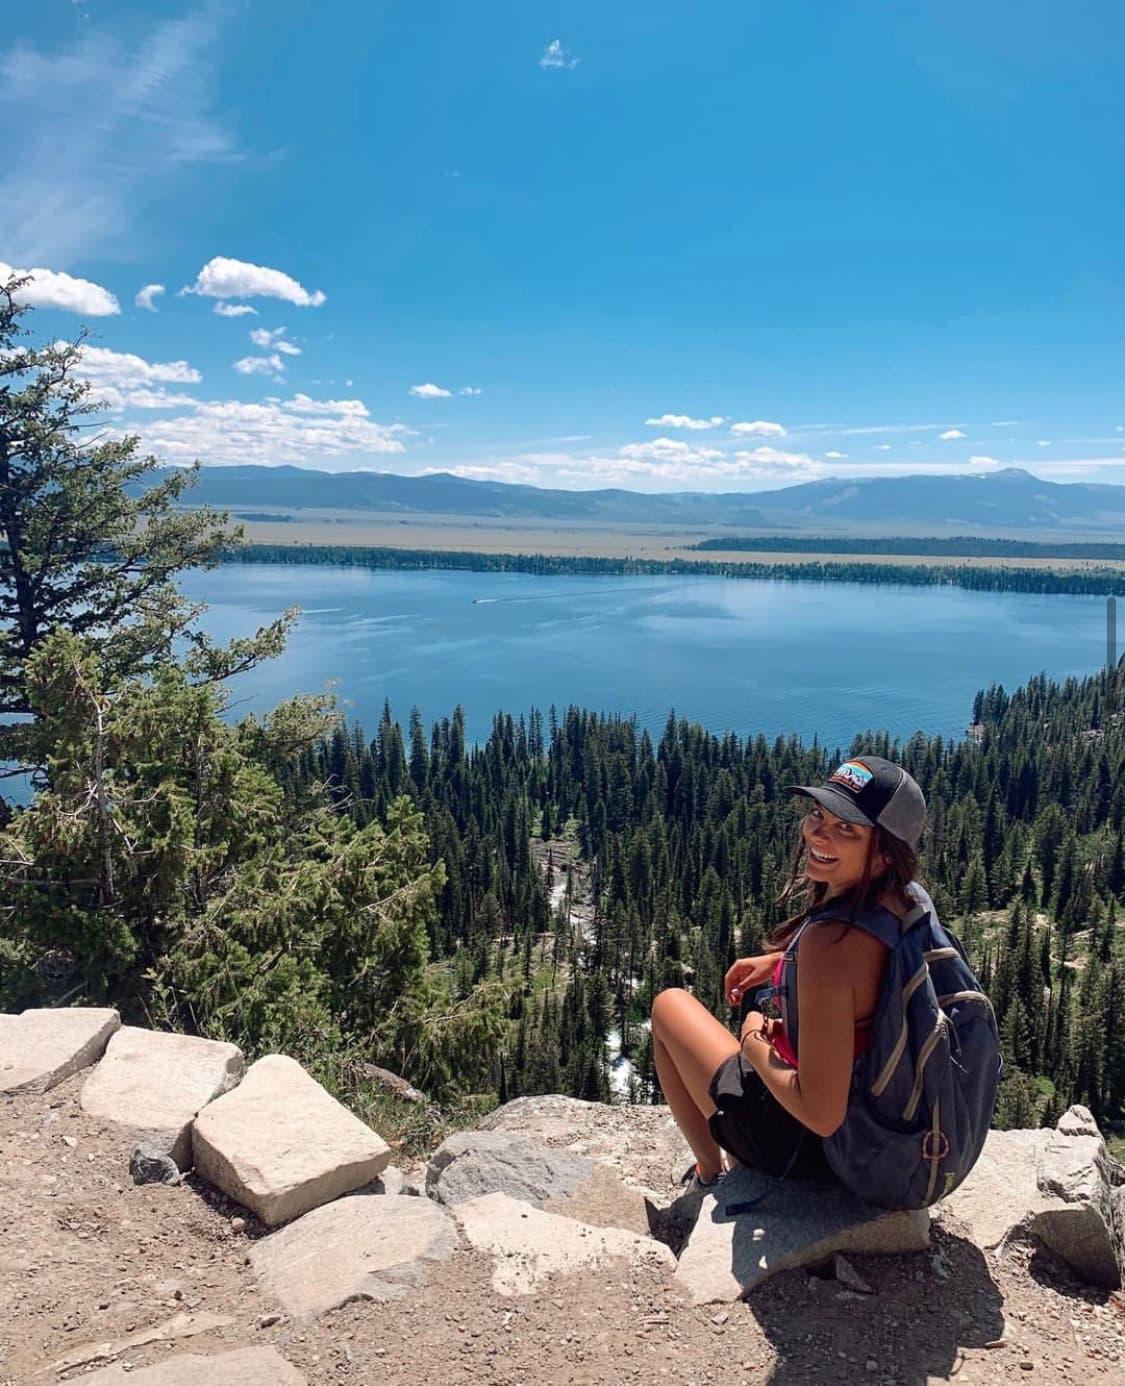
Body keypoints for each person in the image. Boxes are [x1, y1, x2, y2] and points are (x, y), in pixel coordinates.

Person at [650, 755, 927, 1191]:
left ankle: (709, 1173)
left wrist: (752, 1038)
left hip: (809, 1145)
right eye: (818, 813)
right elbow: (868, 977)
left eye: (846, 828)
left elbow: (821, 1114)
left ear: (885, 853)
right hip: (879, 1128)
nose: (818, 832)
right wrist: (781, 963)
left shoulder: (828, 946)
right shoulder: (908, 902)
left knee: (669, 1006)